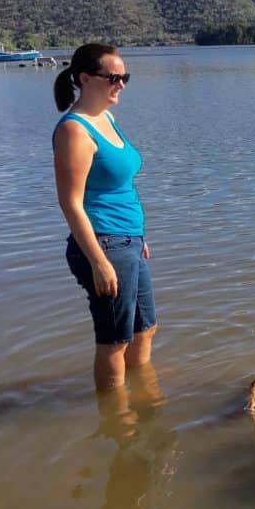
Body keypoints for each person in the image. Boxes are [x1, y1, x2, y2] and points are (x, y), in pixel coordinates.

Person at [53, 43, 157, 391]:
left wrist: (140, 236)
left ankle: (143, 393)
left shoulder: (107, 118)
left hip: (129, 240)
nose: (121, 84)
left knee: (145, 328)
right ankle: (118, 424)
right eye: (114, 77)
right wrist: (98, 261)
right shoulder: (75, 130)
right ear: (85, 78)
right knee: (114, 342)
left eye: (125, 77)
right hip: (103, 244)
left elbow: (121, 185)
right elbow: (71, 203)